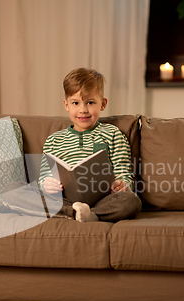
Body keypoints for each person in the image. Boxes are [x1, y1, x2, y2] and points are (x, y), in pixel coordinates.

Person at [34, 68, 141, 222]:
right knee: (16, 190)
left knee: (131, 201)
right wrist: (46, 184)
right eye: (75, 103)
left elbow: (123, 172)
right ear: (66, 105)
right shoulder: (53, 140)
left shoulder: (113, 134)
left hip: (102, 200)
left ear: (103, 104)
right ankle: (74, 211)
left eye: (90, 102)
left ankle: (90, 214)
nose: (83, 110)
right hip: (65, 200)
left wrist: (122, 185)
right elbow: (44, 176)